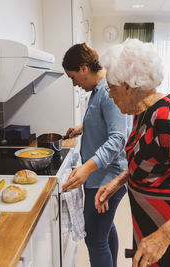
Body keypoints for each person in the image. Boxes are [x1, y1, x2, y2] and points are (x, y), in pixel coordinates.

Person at [95, 38, 170, 267]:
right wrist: (118, 182)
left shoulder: (167, 115)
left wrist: (163, 237)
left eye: (112, 88)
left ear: (128, 86)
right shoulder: (142, 111)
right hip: (149, 224)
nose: (110, 95)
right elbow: (150, 161)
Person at [61, 43, 131, 267]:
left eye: (73, 77)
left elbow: (118, 138)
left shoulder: (108, 92)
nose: (74, 83)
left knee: (95, 238)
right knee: (104, 228)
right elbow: (105, 121)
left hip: (107, 179)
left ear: (83, 68)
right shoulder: (99, 89)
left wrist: (86, 168)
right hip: (100, 177)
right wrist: (83, 127)